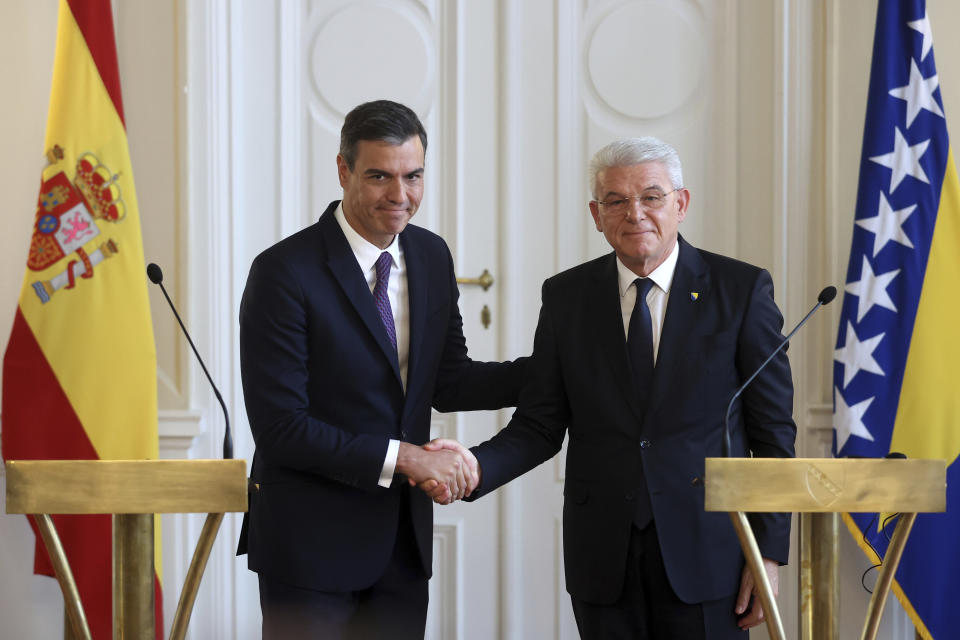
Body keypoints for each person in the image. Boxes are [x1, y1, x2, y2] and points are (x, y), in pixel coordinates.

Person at [438, 137, 796, 638]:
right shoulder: (566, 297)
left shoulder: (740, 290)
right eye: (616, 201)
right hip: (603, 556)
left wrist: (769, 555)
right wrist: (472, 469)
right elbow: (540, 424)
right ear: (596, 214)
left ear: (681, 204)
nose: (635, 213)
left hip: (709, 550)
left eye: (651, 196)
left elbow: (774, 435)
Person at [237, 99, 525, 639]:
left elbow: (450, 378)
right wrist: (408, 458)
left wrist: (562, 367)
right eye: (379, 177)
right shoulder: (283, 271)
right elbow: (280, 429)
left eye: (413, 177)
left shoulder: (431, 256)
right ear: (343, 170)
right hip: (309, 546)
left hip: (401, 542)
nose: (400, 196)